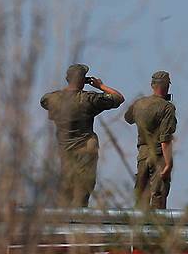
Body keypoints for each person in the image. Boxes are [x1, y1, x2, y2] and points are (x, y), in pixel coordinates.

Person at [40, 64, 125, 207]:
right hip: (86, 148)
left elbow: (44, 100)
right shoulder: (88, 99)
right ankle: (80, 212)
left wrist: (67, 90)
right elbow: (118, 98)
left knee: (66, 182)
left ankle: (64, 213)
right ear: (82, 80)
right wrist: (100, 85)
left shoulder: (54, 99)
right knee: (84, 184)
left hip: (65, 148)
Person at [124, 70, 177, 209]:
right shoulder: (167, 108)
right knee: (158, 196)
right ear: (167, 86)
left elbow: (128, 118)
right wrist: (168, 164)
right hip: (158, 156)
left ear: (152, 85)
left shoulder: (139, 103)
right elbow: (165, 139)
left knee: (140, 196)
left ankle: (138, 222)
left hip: (142, 155)